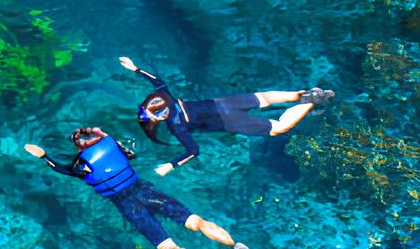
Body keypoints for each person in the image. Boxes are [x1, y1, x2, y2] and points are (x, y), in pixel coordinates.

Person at [24, 128, 264, 249]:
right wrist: (105, 136)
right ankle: (236, 245)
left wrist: (44, 155)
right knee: (196, 222)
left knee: (169, 248)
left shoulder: (82, 166)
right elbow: (131, 152)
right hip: (147, 192)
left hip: (128, 205)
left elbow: (62, 169)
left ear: (79, 147)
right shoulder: (114, 147)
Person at [123, 55, 335, 176]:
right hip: (225, 103)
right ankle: (305, 94)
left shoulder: (176, 126)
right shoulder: (166, 97)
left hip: (229, 121)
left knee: (279, 127)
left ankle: (309, 103)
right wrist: (135, 68)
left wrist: (171, 165)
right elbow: (158, 81)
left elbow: (193, 151)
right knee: (266, 98)